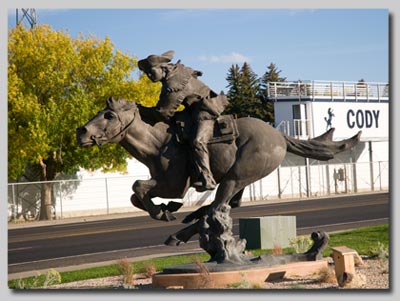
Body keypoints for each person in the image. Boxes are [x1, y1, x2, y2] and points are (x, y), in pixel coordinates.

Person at [138, 50, 229, 191]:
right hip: (193, 109)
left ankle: (207, 178)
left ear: (162, 68)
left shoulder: (174, 83)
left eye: (151, 71)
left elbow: (163, 113)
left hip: (206, 109)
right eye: (146, 73)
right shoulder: (174, 74)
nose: (149, 76)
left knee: (197, 141)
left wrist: (139, 109)